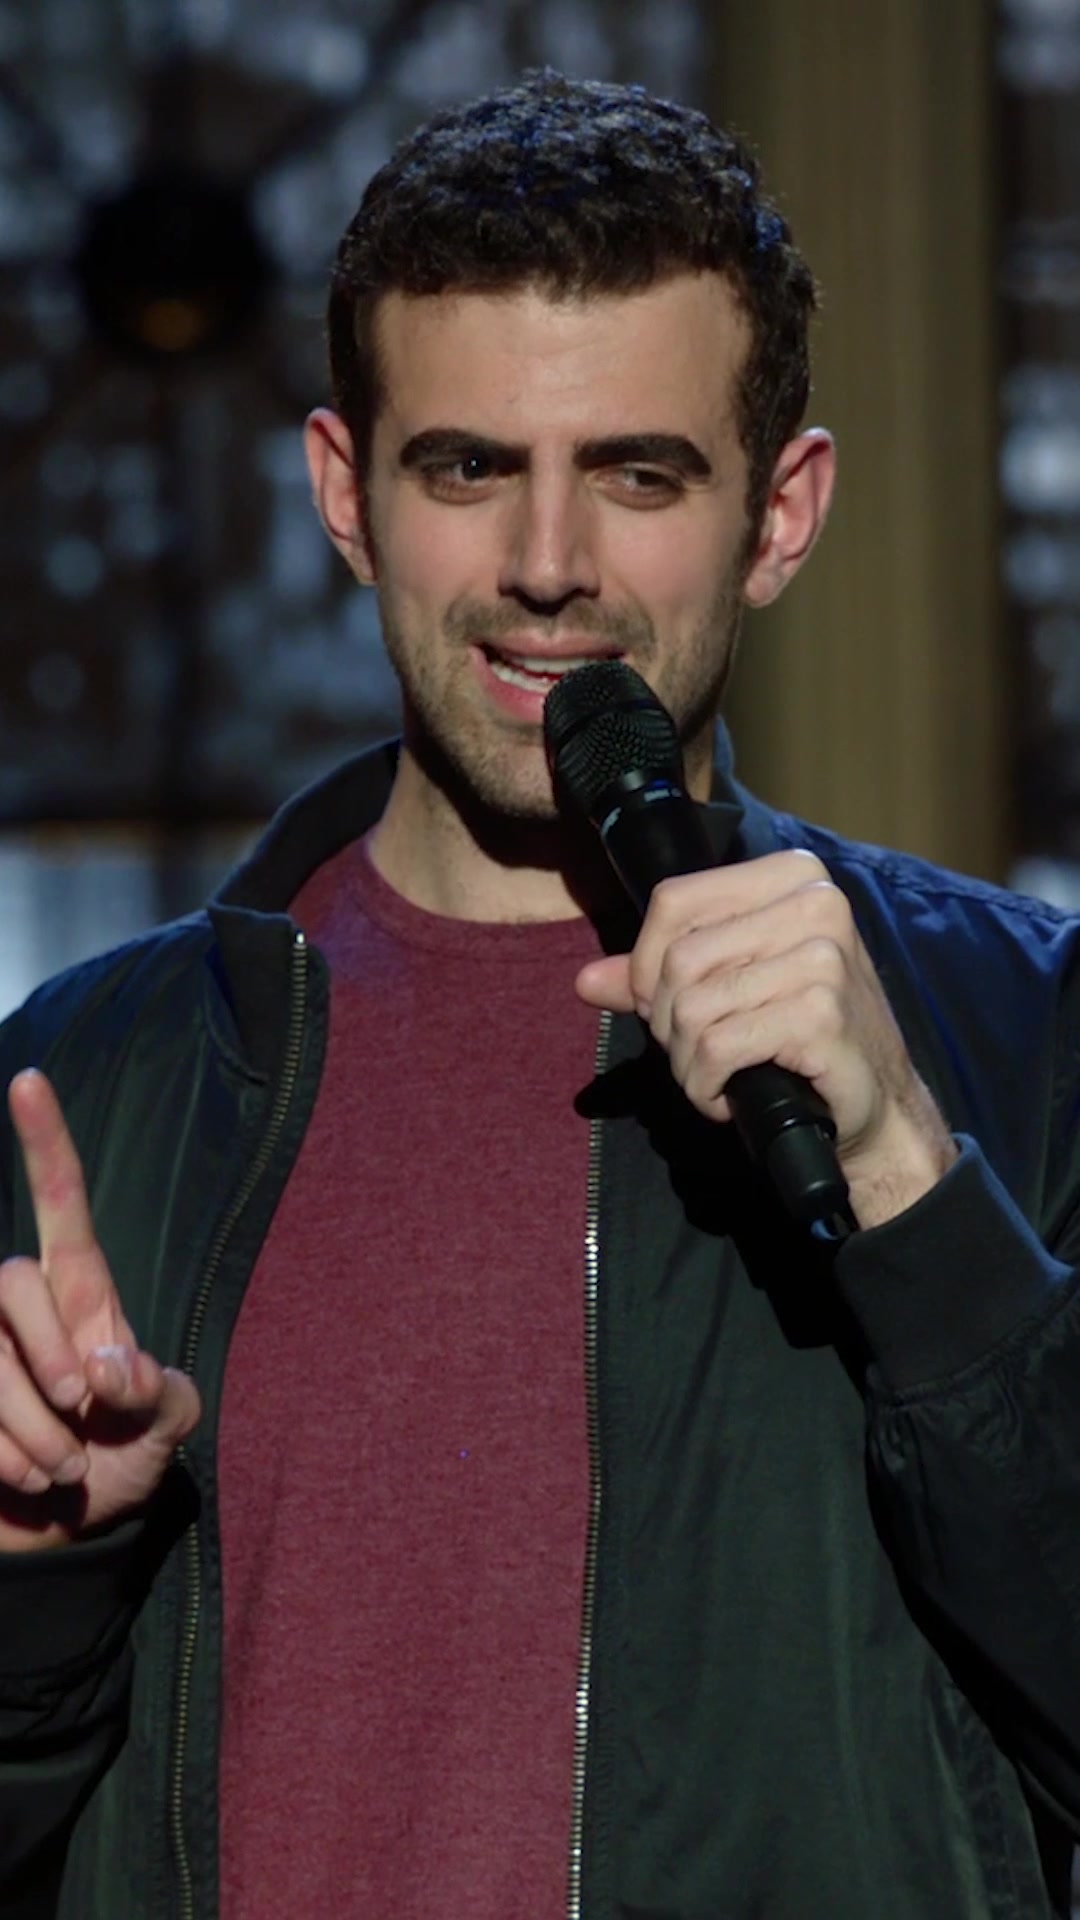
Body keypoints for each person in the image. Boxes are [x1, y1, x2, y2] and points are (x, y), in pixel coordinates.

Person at [0, 66, 1078, 1920]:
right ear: (345, 495)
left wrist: (913, 1186)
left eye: (639, 474)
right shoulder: (90, 1091)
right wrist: (38, 1588)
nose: (548, 566)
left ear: (782, 514)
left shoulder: (1027, 1035)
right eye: (468, 468)